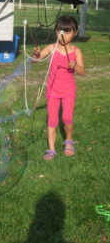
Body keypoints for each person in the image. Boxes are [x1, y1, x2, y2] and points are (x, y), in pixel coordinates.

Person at [33, 16, 85, 160]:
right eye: (60, 31)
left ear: (75, 33)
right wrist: (36, 54)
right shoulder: (51, 48)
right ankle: (51, 149)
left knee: (67, 117)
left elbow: (82, 71)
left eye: (67, 32)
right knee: (52, 120)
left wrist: (75, 66)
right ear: (56, 31)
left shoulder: (76, 51)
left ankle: (69, 141)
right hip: (52, 91)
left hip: (68, 90)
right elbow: (36, 60)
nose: (63, 35)